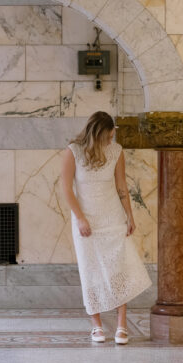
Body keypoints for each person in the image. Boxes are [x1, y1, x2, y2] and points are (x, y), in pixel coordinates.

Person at [61, 111, 151, 344]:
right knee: (90, 269)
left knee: (118, 268)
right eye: (108, 136)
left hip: (112, 217)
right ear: (98, 133)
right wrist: (80, 218)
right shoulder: (73, 151)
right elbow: (67, 190)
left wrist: (129, 215)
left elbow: (121, 186)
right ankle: (97, 325)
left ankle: (122, 324)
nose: (111, 141)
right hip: (86, 219)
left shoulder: (116, 152)